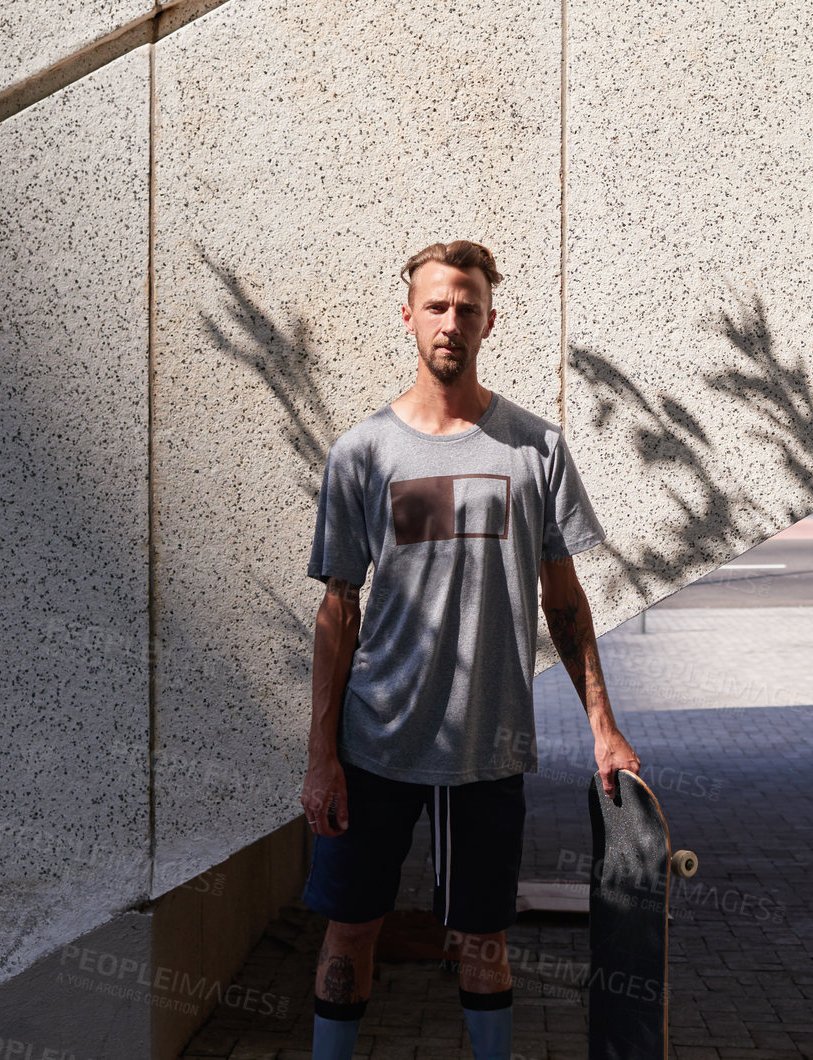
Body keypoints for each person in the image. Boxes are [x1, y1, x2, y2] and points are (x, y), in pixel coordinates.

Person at [298, 240, 640, 1059]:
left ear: (491, 319)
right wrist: (320, 756)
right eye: (437, 305)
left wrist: (603, 725)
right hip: (375, 743)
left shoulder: (535, 448)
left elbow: (563, 599)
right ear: (408, 316)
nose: (452, 320)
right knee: (351, 932)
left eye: (468, 306)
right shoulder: (362, 454)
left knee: (484, 943)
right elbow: (337, 609)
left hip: (487, 747)